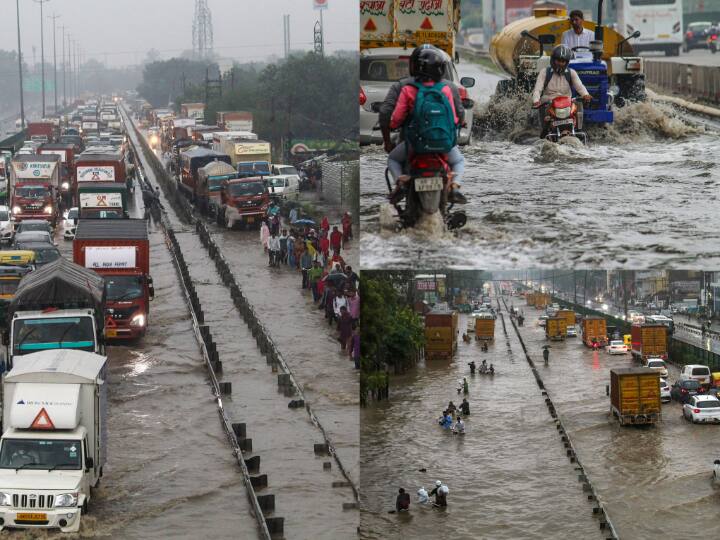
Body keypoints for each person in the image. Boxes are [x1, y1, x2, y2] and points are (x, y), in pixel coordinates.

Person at [387, 46, 467, 205]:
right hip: (443, 145)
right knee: (458, 161)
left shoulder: (408, 89)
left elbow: (396, 119)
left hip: (416, 144)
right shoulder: (445, 89)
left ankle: (401, 183)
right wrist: (459, 124)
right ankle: (455, 187)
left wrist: (392, 125)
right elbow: (454, 119)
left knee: (393, 160)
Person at [531, 45, 592, 138]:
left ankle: (579, 129)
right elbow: (537, 90)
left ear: (566, 62)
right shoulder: (545, 72)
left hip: (567, 102)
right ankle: (545, 130)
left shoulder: (571, 72)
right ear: (553, 60)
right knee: (544, 105)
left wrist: (586, 95)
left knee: (579, 103)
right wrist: (536, 101)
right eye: (558, 60)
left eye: (563, 61)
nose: (560, 63)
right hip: (550, 102)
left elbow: (580, 86)